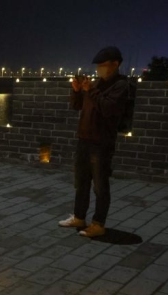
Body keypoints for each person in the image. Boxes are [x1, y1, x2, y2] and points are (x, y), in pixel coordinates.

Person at [58, 46, 130, 238]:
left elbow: (108, 109)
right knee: (81, 183)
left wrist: (91, 91)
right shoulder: (96, 84)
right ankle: (79, 217)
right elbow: (77, 106)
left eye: (103, 65)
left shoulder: (121, 86)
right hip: (84, 139)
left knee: (100, 185)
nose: (100, 69)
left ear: (115, 64)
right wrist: (77, 91)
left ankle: (98, 224)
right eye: (98, 65)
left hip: (101, 142)